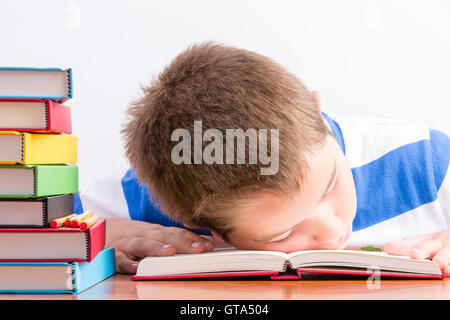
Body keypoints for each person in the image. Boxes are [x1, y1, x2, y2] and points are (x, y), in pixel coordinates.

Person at [75, 42, 450, 275]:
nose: (332, 231)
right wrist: (100, 235)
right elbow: (29, 225)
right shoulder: (156, 202)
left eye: (329, 185)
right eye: (282, 234)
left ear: (316, 115)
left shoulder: (421, 160)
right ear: (211, 228)